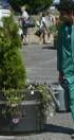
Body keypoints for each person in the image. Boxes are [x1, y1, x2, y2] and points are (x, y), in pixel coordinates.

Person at [56, 0, 74, 138]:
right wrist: (60, 71)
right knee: (73, 100)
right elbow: (60, 51)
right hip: (69, 71)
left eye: (62, 14)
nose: (60, 16)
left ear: (70, 13)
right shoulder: (62, 28)